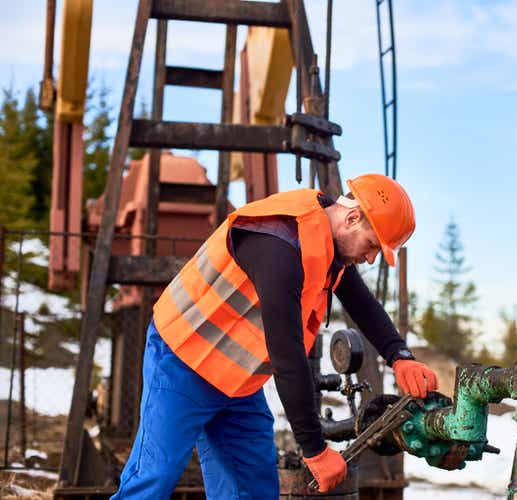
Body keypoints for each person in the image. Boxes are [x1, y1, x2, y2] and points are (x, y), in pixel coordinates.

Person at [111, 173, 439, 499]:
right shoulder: (280, 243)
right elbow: (287, 355)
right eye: (371, 246)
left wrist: (400, 357)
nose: (370, 258)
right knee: (153, 480)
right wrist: (315, 450)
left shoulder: (327, 243)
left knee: (251, 490)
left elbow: (363, 304)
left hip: (237, 380)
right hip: (183, 360)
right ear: (352, 217)